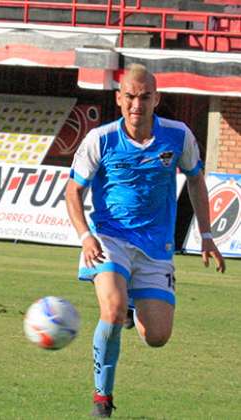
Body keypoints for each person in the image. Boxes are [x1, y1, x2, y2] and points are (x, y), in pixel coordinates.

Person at [65, 63, 225, 418]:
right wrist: (84, 236)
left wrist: (208, 235)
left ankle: (132, 306)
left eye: (145, 97)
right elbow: (73, 191)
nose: (137, 105)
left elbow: (196, 180)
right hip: (110, 239)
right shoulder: (101, 139)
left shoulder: (178, 136)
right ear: (119, 99)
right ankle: (101, 399)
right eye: (131, 97)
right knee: (112, 308)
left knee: (157, 337)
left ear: (157, 99)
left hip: (156, 248)